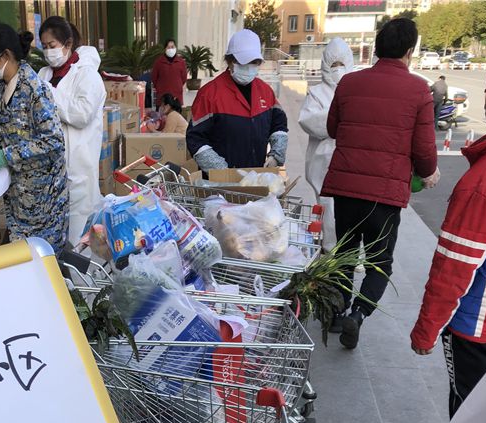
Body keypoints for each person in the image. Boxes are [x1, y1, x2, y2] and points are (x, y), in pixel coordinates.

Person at [320, 18, 440, 349]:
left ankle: (337, 311)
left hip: (345, 188)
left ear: (377, 48)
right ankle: (358, 314)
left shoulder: (349, 82)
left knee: (344, 253)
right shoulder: (419, 90)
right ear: (409, 51)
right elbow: (424, 149)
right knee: (379, 262)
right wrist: (429, 172)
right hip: (383, 197)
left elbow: (332, 129)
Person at [405, 67, 486, 423]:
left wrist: (426, 330)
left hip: (478, 325)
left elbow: (454, 267)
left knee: (468, 410)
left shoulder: (483, 184)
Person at [0, 24, 69, 255]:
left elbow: (54, 140)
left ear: (6, 55)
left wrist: (7, 155)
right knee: (22, 255)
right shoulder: (0, 89)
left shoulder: (34, 89)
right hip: (17, 193)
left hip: (44, 196)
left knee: (44, 258)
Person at [38, 17, 106, 245]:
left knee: (79, 237)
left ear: (67, 44)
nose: (49, 52)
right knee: (51, 237)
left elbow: (81, 114)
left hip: (78, 169)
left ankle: (80, 269)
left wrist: (48, 94)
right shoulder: (43, 75)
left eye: (52, 45)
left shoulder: (87, 76)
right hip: (49, 169)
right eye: (44, 46)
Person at [186, 29, 288, 172]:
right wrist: (220, 170)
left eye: (254, 62)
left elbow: (279, 123)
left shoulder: (265, 92)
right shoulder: (209, 94)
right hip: (219, 182)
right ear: (230, 61)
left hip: (256, 178)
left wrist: (276, 155)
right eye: (243, 62)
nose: (248, 66)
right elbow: (195, 138)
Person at [298, 37, 354, 251]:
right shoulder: (317, 93)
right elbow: (308, 121)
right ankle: (330, 250)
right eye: (333, 64)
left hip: (350, 162)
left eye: (342, 64)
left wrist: (335, 119)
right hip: (322, 163)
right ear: (325, 65)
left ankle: (349, 252)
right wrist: (342, 119)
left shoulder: (356, 90)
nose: (338, 69)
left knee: (351, 210)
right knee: (328, 209)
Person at [151, 39, 188, 108]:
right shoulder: (159, 62)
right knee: (162, 113)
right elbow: (154, 77)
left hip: (176, 95)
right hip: (162, 95)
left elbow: (184, 78)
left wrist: (178, 85)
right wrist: (159, 87)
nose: (170, 49)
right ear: (165, 49)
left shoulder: (181, 62)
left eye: (172, 47)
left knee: (176, 113)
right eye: (168, 47)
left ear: (175, 48)